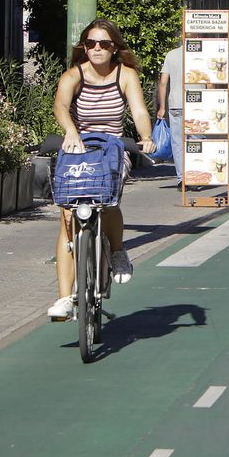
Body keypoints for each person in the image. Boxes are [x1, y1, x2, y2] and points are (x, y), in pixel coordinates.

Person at [48, 19, 155, 320]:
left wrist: (145, 137)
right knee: (67, 213)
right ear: (83, 47)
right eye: (92, 43)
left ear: (114, 48)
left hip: (112, 149)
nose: (97, 48)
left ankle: (118, 252)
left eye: (105, 44)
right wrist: (70, 131)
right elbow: (59, 105)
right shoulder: (73, 75)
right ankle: (64, 298)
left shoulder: (126, 75)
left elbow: (138, 110)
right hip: (78, 147)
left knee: (107, 201)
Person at [156, 35, 185, 184]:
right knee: (197, 141)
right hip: (198, 105)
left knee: (178, 142)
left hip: (176, 104)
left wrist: (162, 107)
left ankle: (182, 178)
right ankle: (195, 174)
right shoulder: (201, 54)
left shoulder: (171, 55)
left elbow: (163, 83)